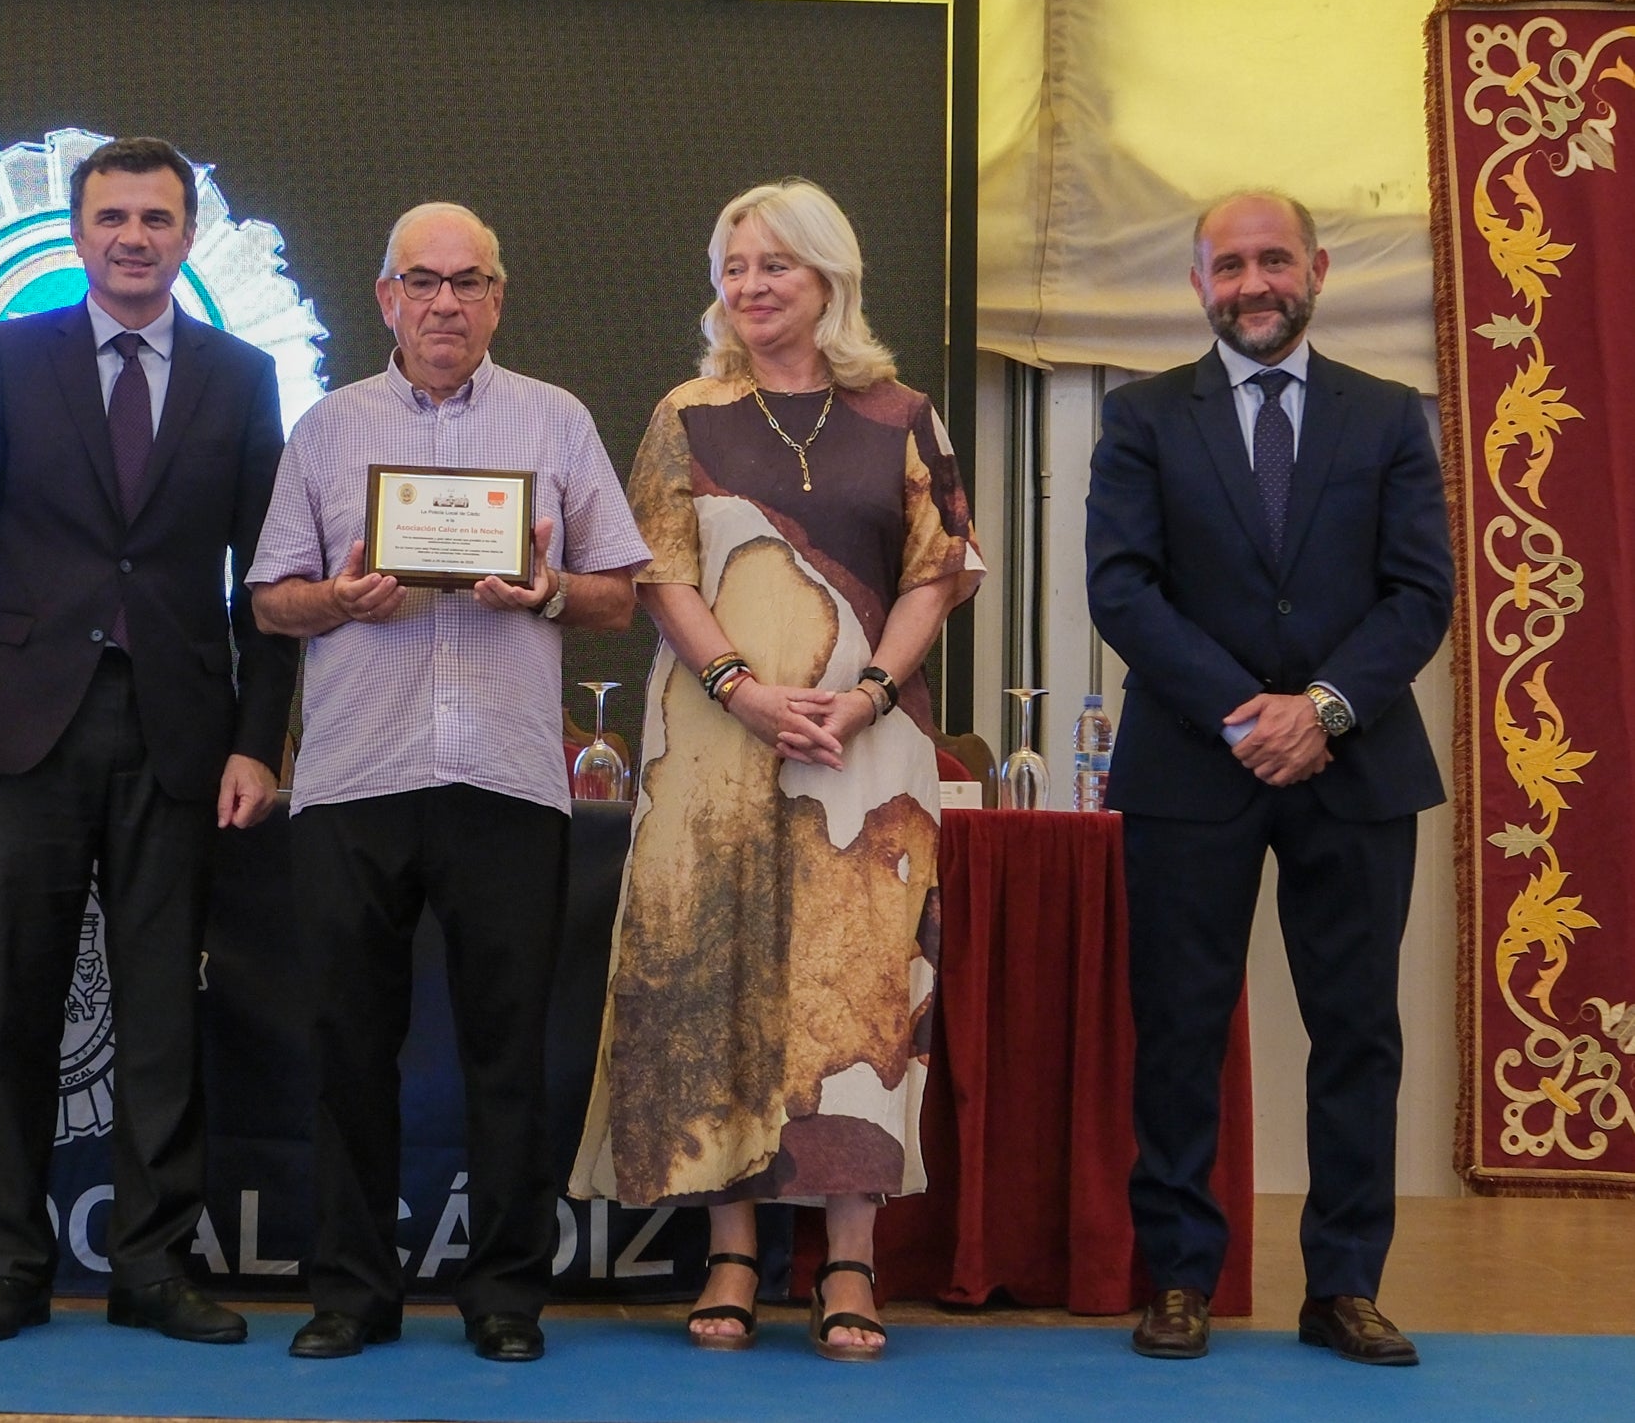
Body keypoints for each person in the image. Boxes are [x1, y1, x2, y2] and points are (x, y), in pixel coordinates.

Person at [564, 179, 981, 1362]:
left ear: (829, 278)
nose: (749, 286)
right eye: (733, 265)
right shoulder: (685, 412)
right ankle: (734, 1248)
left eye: (774, 265)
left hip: (868, 749)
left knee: (856, 992)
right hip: (711, 743)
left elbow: (937, 572)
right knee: (717, 975)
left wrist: (867, 695)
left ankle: (847, 1257)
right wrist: (742, 686)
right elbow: (662, 576)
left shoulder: (903, 412)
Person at [248, 202, 649, 1363]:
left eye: (469, 282)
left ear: (498, 299)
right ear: (385, 298)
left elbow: (620, 590)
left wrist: (549, 591)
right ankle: (351, 1293)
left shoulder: (555, 420)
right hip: (356, 777)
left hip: (509, 783)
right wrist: (341, 598)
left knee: (509, 1048)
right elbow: (273, 599)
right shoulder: (327, 428)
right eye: (423, 281)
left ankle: (506, 1293)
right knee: (346, 1045)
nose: (445, 303)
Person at [0, 137, 297, 1346]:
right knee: (13, 999)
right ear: (77, 234)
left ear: (189, 234)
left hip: (182, 731)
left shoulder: (241, 376)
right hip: (25, 724)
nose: (135, 236)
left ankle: (151, 1266)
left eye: (159, 217)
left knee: (161, 1014)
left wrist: (258, 740)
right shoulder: (14, 355)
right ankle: (9, 1265)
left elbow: (267, 583)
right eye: (114, 216)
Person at [1085, 191, 1449, 1366]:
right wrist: (1251, 714)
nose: (1254, 282)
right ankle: (1180, 1275)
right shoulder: (1139, 416)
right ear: (1198, 283)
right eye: (1229, 264)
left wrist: (1324, 709)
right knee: (1180, 1027)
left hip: (1358, 765)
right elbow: (1123, 586)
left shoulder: (1392, 416)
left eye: (1274, 259)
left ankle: (1344, 1285)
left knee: (1356, 1033)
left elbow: (1419, 593)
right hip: (1195, 762)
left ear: (1318, 270)